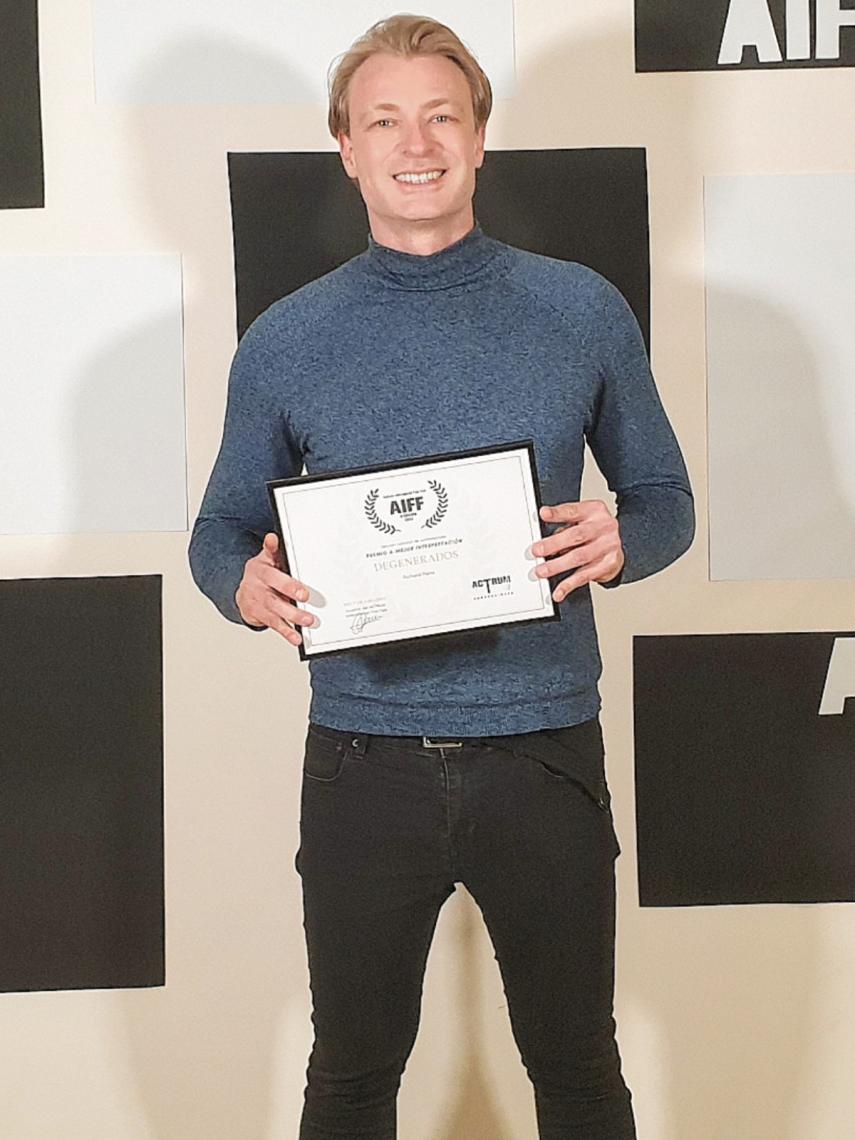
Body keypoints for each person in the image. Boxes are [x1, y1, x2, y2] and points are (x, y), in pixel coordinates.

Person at [189, 14, 694, 1139]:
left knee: (578, 1072)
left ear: (478, 139)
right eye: (384, 121)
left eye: (439, 117)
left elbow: (665, 504)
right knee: (353, 1078)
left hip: (545, 753)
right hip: (364, 764)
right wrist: (244, 586)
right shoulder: (287, 337)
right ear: (347, 148)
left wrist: (623, 542)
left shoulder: (578, 310)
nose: (414, 143)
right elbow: (220, 531)